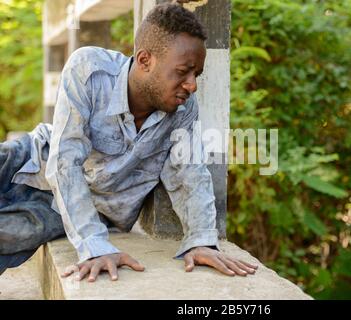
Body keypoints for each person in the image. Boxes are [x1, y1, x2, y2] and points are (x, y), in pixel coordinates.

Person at [0, 2, 257, 282]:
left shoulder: (183, 110)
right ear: (145, 60)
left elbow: (190, 172)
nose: (192, 84)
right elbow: (64, 161)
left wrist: (201, 239)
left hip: (81, 206)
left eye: (197, 75)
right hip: (34, 157)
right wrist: (93, 247)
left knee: (13, 232)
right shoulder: (89, 70)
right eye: (183, 71)